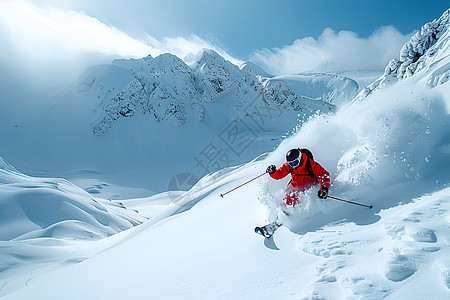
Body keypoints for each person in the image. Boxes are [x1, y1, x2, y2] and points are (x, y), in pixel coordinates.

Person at [266, 148, 330, 208]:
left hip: (309, 188)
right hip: (295, 187)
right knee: (284, 200)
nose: (293, 165)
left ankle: (291, 217)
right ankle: (279, 216)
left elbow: (324, 175)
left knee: (291, 202)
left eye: (295, 162)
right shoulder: (289, 166)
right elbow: (279, 175)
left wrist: (324, 188)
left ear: (299, 158)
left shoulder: (311, 164)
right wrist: (272, 172)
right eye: (291, 163)